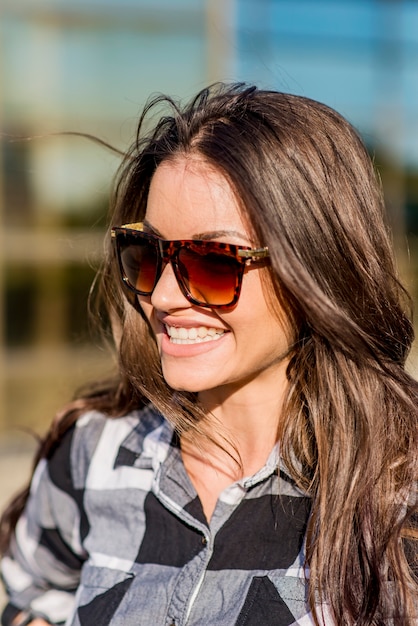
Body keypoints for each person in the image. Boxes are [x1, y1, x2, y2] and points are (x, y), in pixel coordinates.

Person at [0, 83, 417, 626]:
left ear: (316, 267)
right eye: (147, 255)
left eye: (214, 262)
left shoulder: (398, 498)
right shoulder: (94, 453)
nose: (164, 298)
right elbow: (30, 593)